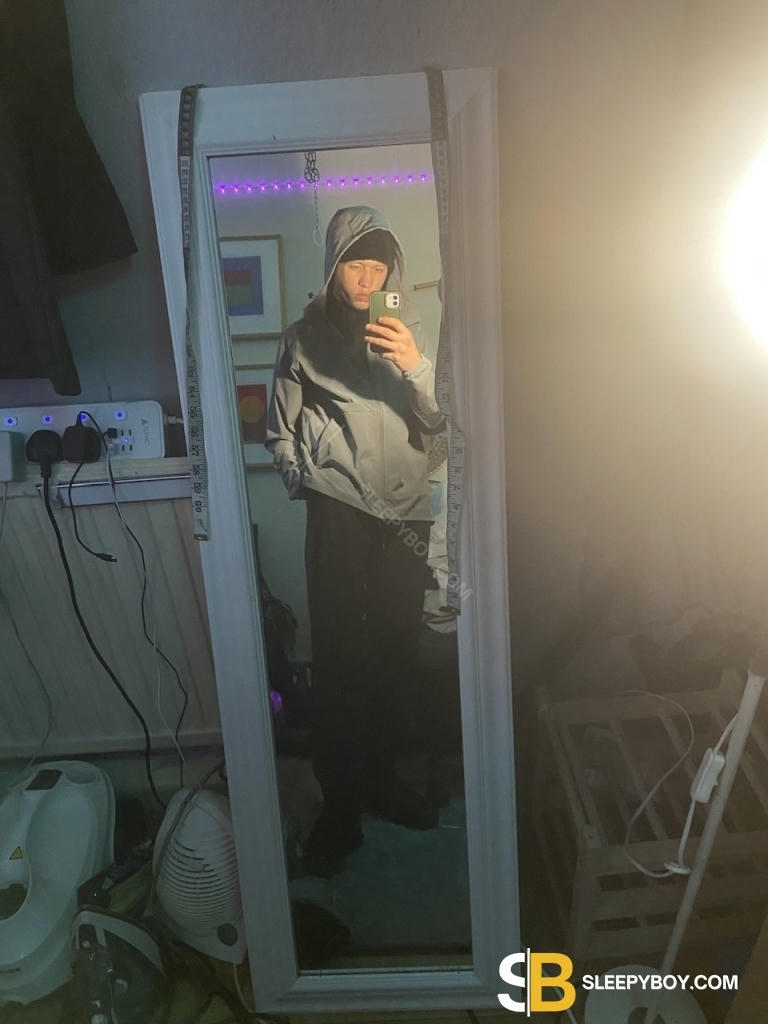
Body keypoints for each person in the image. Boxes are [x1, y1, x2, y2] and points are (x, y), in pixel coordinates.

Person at [266, 206, 445, 877]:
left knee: (396, 653)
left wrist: (416, 365)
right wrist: (308, 482)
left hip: (405, 513)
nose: (368, 278)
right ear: (333, 265)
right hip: (339, 509)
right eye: (355, 264)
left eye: (378, 265)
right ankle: (340, 806)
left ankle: (382, 781)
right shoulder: (302, 338)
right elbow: (279, 431)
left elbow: (442, 420)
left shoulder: (408, 331)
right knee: (341, 657)